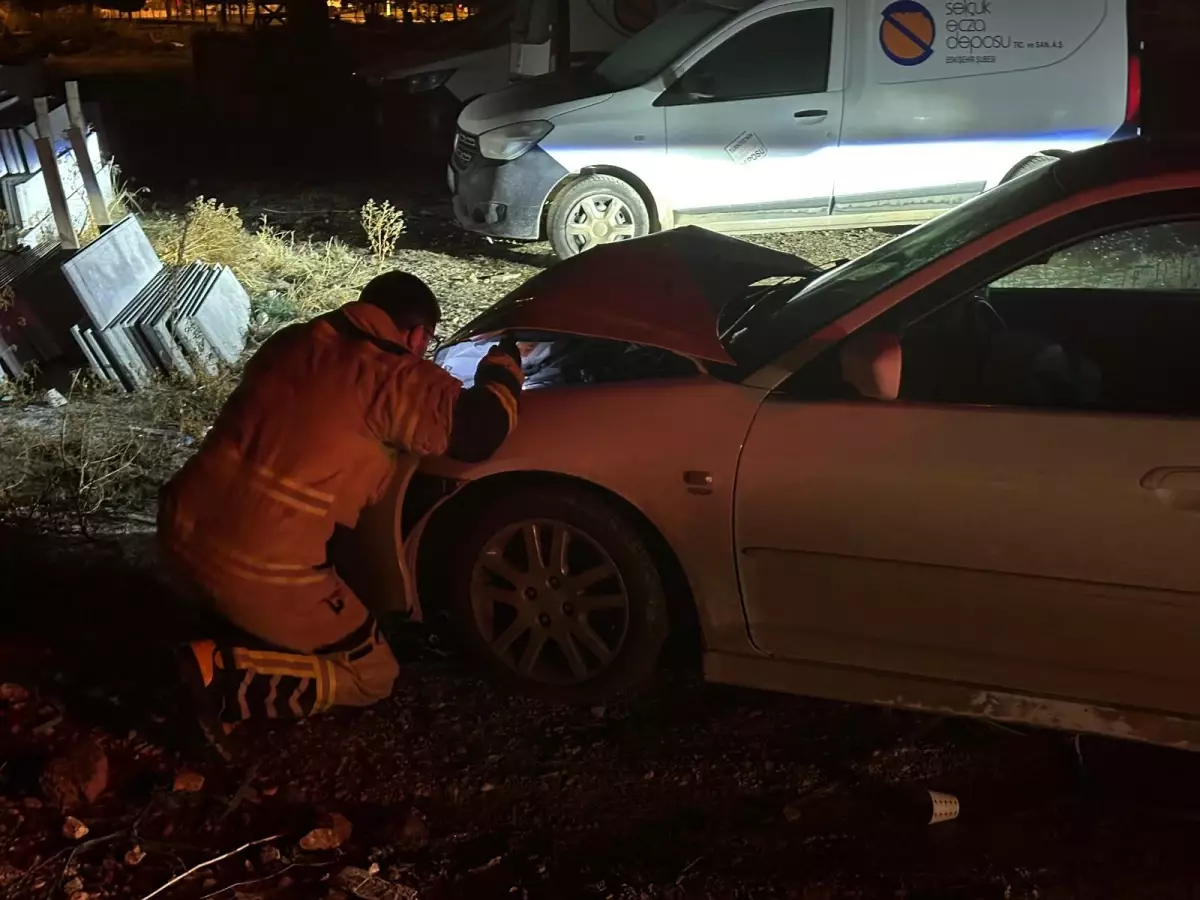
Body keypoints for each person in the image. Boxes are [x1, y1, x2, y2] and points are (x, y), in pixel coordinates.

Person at [158, 271, 524, 754]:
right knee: (373, 674)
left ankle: (227, 626)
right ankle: (219, 675)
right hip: (259, 567)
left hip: (177, 532)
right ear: (415, 334)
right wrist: (504, 369)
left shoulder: (296, 340)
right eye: (426, 341)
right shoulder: (390, 377)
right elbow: (479, 431)